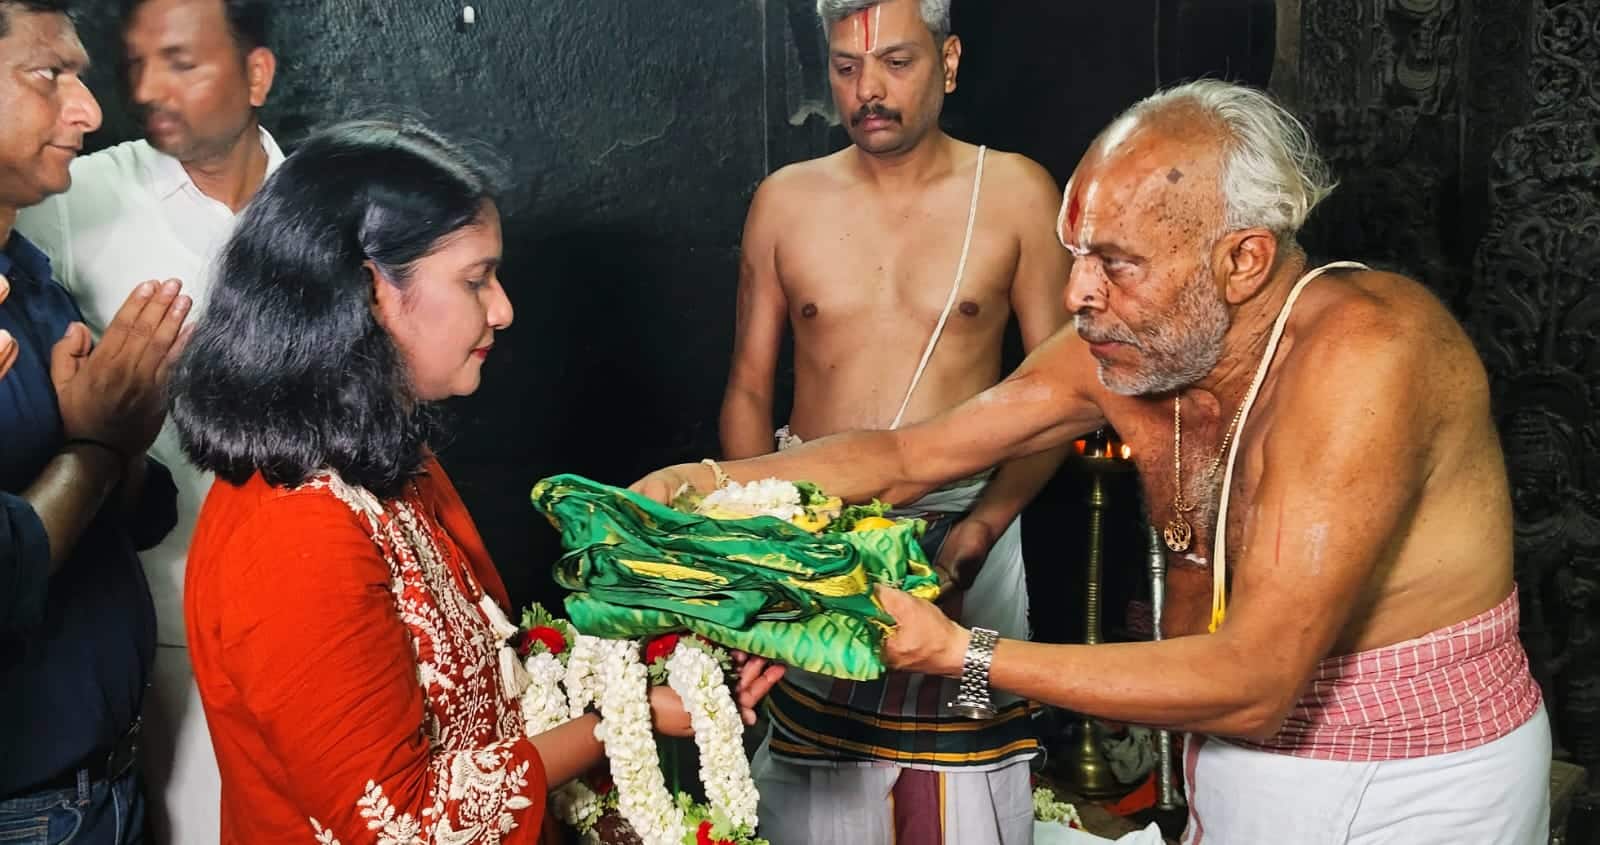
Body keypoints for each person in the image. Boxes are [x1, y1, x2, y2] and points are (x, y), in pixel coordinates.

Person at [636, 79, 1551, 844]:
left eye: (1117, 262)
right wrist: (704, 484)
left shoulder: (1368, 356)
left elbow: (1258, 684)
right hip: (1230, 764)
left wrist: (963, 651)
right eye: (1077, 254)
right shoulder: (1132, 346)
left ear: (1243, 260)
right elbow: (912, 455)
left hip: (1417, 783)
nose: (1077, 291)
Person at [167, 120, 783, 843]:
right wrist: (622, 720)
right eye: (474, 279)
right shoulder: (294, 529)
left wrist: (673, 658)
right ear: (370, 291)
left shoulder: (381, 462)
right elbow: (406, 823)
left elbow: (490, 674)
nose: (503, 309)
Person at [718, 0, 1070, 841]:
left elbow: (1061, 396)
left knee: (973, 758)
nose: (867, 90)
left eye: (896, 63)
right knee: (815, 773)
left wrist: (981, 528)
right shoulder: (784, 201)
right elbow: (747, 390)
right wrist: (764, 546)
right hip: (817, 540)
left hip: (972, 541)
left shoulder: (1016, 192)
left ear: (949, 62)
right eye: (845, 68)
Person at [15, 1, 279, 837]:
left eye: (182, 61)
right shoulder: (72, 199)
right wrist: (100, 439)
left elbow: (136, 495)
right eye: (136, 65)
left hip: (109, 757)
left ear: (257, 74)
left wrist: (112, 443)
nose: (133, 95)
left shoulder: (327, 207)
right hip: (133, 690)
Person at [0, 0, 192, 840]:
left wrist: (119, 438)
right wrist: (96, 444)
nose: (88, 111)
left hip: (108, 782)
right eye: (49, 75)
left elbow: (141, 515)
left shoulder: (32, 280)